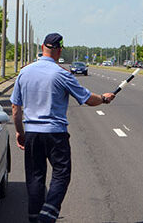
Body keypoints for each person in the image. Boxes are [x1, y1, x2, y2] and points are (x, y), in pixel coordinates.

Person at [10, 32, 116, 223]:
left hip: (32, 133)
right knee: (61, 174)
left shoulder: (24, 72)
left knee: (35, 179)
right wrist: (103, 98)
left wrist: (19, 132)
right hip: (55, 134)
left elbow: (15, 107)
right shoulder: (61, 74)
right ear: (59, 51)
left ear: (42, 47)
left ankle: (35, 218)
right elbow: (87, 99)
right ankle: (48, 214)